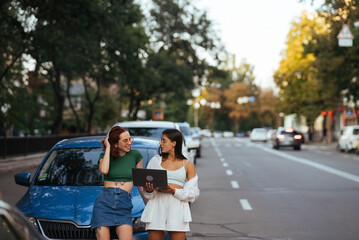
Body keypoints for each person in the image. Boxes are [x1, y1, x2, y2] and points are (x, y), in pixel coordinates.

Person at [141, 128, 199, 240]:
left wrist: (174, 191)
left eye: (164, 140)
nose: (160, 143)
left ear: (174, 143)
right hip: (156, 206)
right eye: (160, 140)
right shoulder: (155, 161)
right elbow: (148, 193)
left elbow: (194, 193)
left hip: (178, 207)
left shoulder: (187, 164)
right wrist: (149, 189)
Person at [91, 126, 143, 240]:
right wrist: (108, 147)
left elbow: (140, 182)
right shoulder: (104, 157)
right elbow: (104, 170)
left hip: (124, 204)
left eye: (130, 139)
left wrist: (148, 203)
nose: (129, 143)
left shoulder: (135, 155)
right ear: (115, 144)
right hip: (104, 203)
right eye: (125, 140)